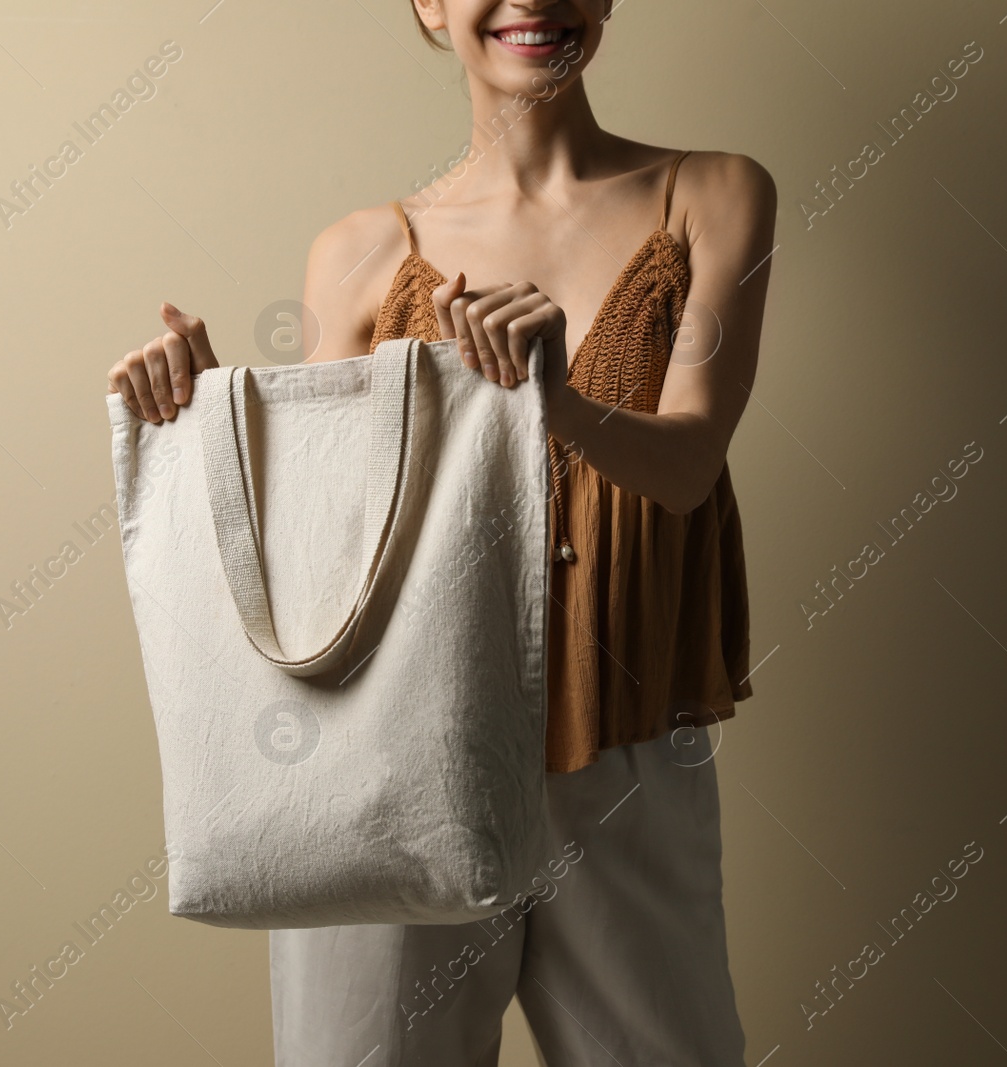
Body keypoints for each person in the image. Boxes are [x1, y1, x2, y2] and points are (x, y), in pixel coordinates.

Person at [107, 1, 776, 1062]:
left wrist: (556, 402)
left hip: (629, 747)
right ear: (427, 1)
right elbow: (323, 536)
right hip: (390, 758)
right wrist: (199, 420)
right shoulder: (363, 249)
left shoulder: (710, 192)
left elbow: (689, 464)